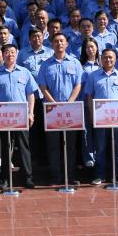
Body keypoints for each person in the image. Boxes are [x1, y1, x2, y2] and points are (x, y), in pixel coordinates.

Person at [0, 44, 38, 189]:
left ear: (17, 54)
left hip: (21, 115)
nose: (10, 55)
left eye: (12, 52)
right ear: (3, 55)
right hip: (3, 116)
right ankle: (5, 178)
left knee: (24, 146)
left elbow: (30, 94)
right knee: (5, 147)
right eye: (7, 52)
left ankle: (27, 177)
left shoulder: (25, 72)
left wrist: (31, 113)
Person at [38, 33, 84, 186]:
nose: (59, 44)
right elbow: (43, 86)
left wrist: (69, 103)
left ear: (67, 44)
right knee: (53, 145)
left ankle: (70, 175)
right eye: (56, 41)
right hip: (52, 110)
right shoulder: (45, 65)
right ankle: (55, 176)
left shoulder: (75, 63)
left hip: (71, 109)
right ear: (52, 44)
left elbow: (78, 85)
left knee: (70, 145)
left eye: (62, 41)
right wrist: (55, 104)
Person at [84, 48, 118, 186]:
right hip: (100, 118)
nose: (108, 60)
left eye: (111, 57)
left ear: (115, 59)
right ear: (101, 59)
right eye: (105, 57)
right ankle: (100, 175)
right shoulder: (93, 76)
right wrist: (92, 114)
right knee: (100, 146)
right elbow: (89, 96)